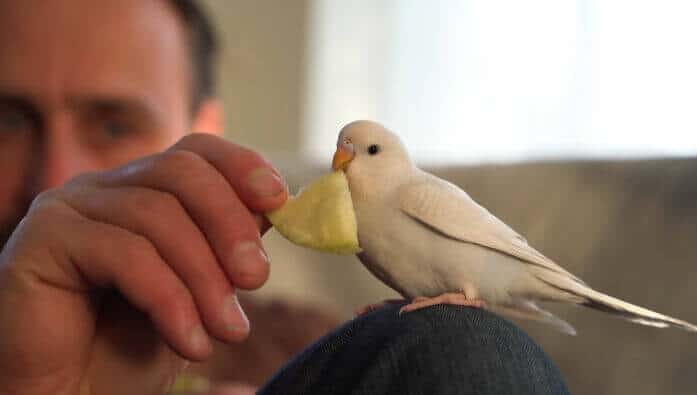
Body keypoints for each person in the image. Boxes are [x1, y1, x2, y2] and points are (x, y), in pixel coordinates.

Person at [0, 1, 570, 394]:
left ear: (206, 133)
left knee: (464, 348)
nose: (53, 180)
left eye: (114, 124)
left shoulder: (348, 346)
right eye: (7, 122)